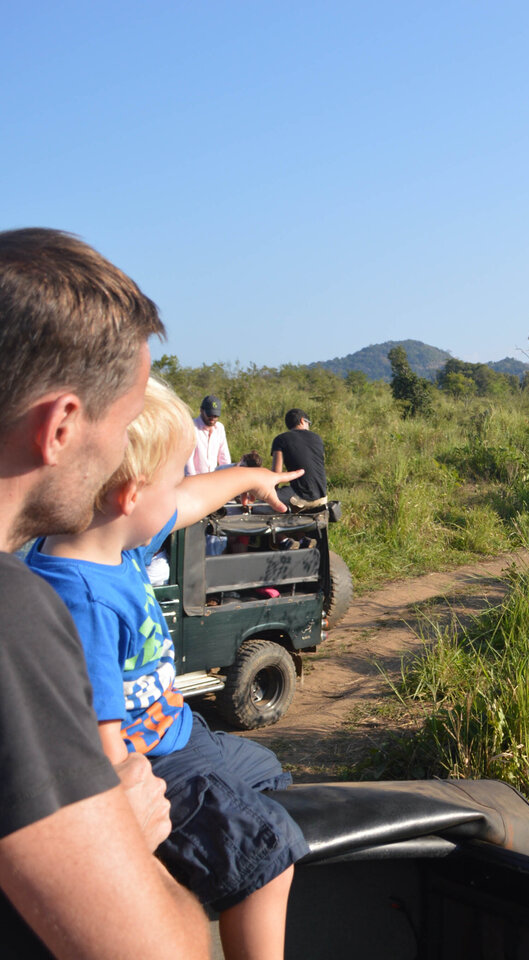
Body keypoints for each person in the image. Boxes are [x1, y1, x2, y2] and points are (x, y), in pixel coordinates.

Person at [28, 377, 308, 960]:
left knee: (266, 768)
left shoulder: (112, 543)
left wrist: (253, 478)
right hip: (152, 762)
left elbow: (192, 499)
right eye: (172, 476)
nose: (179, 491)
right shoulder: (86, 599)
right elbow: (102, 749)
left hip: (182, 731)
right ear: (130, 495)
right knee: (269, 844)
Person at [0, 228, 209, 958]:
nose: (124, 456)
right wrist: (125, 834)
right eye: (122, 426)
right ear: (60, 426)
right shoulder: (13, 616)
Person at [270, 408, 327, 511]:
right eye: (308, 423)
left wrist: (271, 494)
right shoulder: (317, 438)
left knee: (262, 502)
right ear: (302, 421)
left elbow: (276, 473)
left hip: (299, 499)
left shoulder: (281, 439)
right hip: (322, 497)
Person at [186, 394, 231, 474]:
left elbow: (224, 457)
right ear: (201, 410)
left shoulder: (220, 428)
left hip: (213, 480)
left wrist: (227, 477)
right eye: (210, 414)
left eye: (216, 415)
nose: (212, 418)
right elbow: (188, 461)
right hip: (195, 480)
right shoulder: (191, 427)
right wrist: (193, 483)